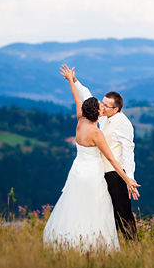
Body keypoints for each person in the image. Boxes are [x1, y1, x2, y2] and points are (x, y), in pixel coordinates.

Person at [43, 65, 140, 252]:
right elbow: (84, 95)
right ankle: (96, 243)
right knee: (99, 209)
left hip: (114, 173)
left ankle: (132, 246)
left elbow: (128, 152)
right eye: (101, 103)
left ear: (116, 108)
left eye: (106, 105)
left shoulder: (123, 124)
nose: (102, 106)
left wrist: (129, 178)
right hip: (96, 172)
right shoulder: (97, 123)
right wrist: (74, 80)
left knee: (122, 212)